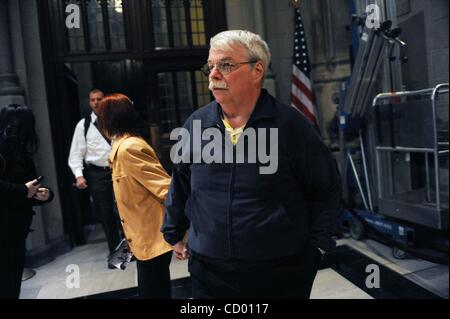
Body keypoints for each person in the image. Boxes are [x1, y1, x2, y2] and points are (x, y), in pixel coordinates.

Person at [161, 30, 341, 299]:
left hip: (280, 271)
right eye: (211, 66)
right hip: (209, 271)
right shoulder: (196, 125)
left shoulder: (290, 125)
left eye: (226, 65)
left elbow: (325, 187)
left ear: (257, 70)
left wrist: (318, 247)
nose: (213, 75)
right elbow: (181, 184)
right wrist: (173, 231)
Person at [99, 93, 173, 298]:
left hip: (152, 236)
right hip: (142, 236)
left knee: (154, 291)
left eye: (102, 117)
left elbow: (166, 188)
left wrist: (183, 230)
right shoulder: (123, 147)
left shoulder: (129, 148)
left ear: (111, 120)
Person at [0, 104, 54, 299]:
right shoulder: (5, 147)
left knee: (11, 285)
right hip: (5, 232)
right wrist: (24, 190)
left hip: (14, 229)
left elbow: (24, 187)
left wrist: (45, 194)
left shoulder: (18, 149)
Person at [68, 89, 122, 256]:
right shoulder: (83, 125)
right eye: (93, 100)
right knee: (105, 214)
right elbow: (76, 153)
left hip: (118, 170)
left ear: (104, 100)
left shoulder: (114, 120)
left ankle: (131, 250)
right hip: (97, 174)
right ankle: (115, 253)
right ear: (89, 102)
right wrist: (79, 175)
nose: (96, 102)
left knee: (123, 210)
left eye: (99, 99)